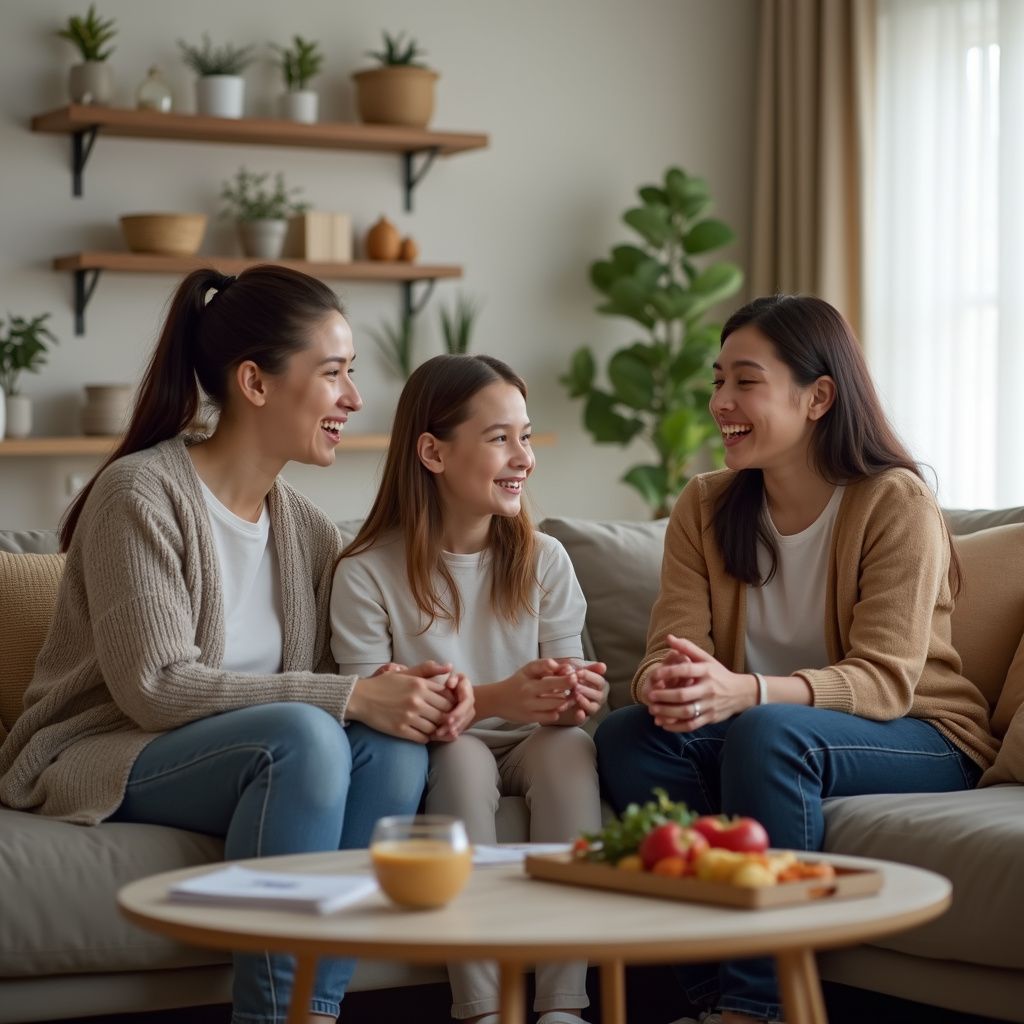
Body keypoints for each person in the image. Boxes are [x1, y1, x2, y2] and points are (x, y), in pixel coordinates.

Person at [0, 265, 459, 1024]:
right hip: (107, 748)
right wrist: (350, 696)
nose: (353, 398)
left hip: (245, 755)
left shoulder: (307, 528)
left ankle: (314, 1010)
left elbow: (331, 682)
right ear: (255, 382)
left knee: (395, 748)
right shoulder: (138, 493)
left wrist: (419, 691)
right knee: (306, 737)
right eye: (335, 374)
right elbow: (155, 686)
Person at [594, 294, 997, 1024]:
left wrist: (745, 691)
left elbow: (885, 679)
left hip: (922, 733)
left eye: (744, 381)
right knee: (628, 735)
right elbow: (667, 646)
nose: (720, 401)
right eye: (717, 381)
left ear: (818, 397)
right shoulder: (705, 505)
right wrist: (668, 681)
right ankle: (711, 993)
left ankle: (762, 1006)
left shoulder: (894, 502)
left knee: (766, 730)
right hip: (779, 727)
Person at [330, 354, 608, 1024]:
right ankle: (482, 1007)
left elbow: (566, 684)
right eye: (499, 438)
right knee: (461, 758)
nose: (523, 457)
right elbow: (369, 710)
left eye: (526, 435)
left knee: (569, 749)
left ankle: (564, 1005)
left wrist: (575, 694)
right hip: (441, 746)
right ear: (432, 451)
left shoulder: (546, 560)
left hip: (534, 741)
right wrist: (494, 701)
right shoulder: (366, 572)